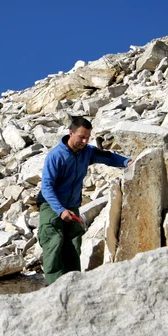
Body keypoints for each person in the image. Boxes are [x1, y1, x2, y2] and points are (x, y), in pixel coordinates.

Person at [36, 117, 133, 285]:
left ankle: (75, 287)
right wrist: (60, 210)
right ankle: (54, 289)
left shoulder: (86, 152)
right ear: (70, 133)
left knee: (73, 246)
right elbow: (46, 187)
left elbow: (107, 157)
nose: (84, 141)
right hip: (51, 206)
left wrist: (127, 162)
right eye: (81, 136)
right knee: (53, 244)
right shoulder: (56, 156)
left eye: (87, 137)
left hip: (72, 206)